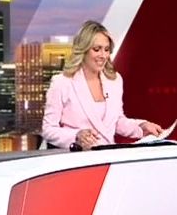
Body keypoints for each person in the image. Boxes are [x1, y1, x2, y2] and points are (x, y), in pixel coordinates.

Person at [41, 21, 164, 150]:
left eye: (106, 50)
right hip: (77, 158)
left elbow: (116, 121)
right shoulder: (62, 83)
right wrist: (76, 136)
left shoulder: (114, 81)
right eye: (97, 49)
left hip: (107, 156)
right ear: (83, 50)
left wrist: (140, 127)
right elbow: (48, 130)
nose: (103, 55)